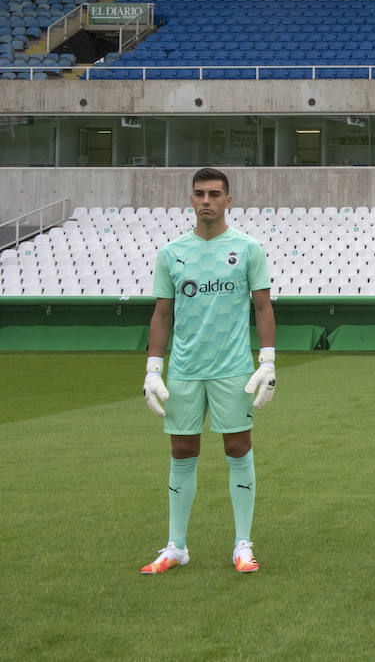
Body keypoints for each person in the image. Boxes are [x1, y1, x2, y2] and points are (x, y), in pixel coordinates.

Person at [140, 167, 276, 574]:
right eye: (199, 193)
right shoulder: (171, 253)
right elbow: (162, 314)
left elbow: (263, 306)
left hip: (233, 368)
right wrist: (152, 368)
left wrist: (267, 360)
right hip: (184, 369)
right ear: (191, 199)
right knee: (182, 450)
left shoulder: (249, 248)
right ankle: (176, 546)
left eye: (215, 194)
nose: (206, 201)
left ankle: (243, 544)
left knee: (238, 447)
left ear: (228, 200)